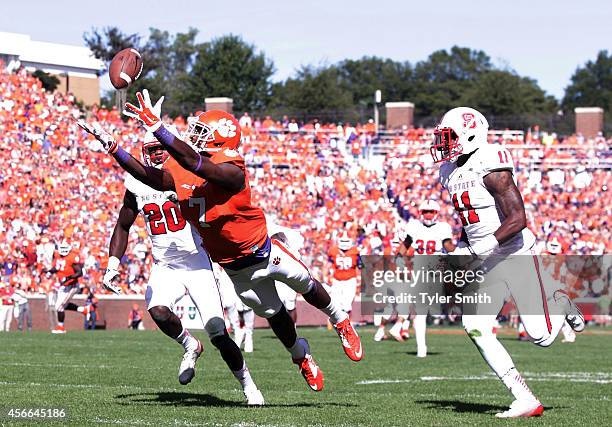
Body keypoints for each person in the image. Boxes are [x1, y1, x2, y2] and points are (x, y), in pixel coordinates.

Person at [77, 90, 362, 394]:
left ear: (220, 139)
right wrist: (114, 148)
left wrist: (158, 128)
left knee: (305, 283)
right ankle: (301, 355)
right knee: (275, 315)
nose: (195, 136)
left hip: (263, 251)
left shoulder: (231, 167)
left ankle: (341, 321)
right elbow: (151, 179)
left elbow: (201, 166)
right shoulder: (182, 169)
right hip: (235, 268)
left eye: (202, 132)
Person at [432, 106, 585, 418]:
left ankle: (561, 302)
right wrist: (462, 251)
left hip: (513, 253)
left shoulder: (490, 161)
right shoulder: (450, 171)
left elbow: (518, 218)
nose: (443, 144)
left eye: (449, 137)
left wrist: (485, 247)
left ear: (470, 135)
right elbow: (470, 222)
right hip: (486, 259)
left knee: (541, 337)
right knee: (474, 324)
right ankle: (524, 398)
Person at [99, 122, 263, 405]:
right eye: (152, 150)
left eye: (162, 148)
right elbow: (123, 225)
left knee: (218, 334)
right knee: (158, 310)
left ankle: (248, 383)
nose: (159, 154)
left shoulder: (189, 175)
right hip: (166, 265)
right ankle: (190, 345)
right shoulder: (137, 183)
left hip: (197, 263)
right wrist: (113, 263)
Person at [397, 200, 455, 357]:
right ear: (420, 213)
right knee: (420, 312)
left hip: (436, 270)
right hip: (421, 270)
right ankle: (420, 347)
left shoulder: (443, 227)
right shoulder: (414, 226)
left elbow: (448, 246)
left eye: (431, 211)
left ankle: (401, 324)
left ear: (436, 213)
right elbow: (406, 243)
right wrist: (399, 258)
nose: (428, 215)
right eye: (425, 211)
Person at [47, 241, 85, 334]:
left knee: (59, 306)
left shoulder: (72, 257)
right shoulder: (57, 255)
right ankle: (83, 309)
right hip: (63, 285)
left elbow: (80, 272)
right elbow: (57, 267)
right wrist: (49, 271)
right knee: (61, 305)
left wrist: (69, 277)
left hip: (71, 285)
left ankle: (61, 327)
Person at [327, 233, 360, 319]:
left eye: (346, 241)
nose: (344, 243)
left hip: (350, 280)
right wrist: (327, 275)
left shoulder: (355, 251)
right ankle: (338, 323)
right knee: (336, 304)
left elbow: (360, 266)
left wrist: (360, 279)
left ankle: (347, 324)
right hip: (337, 280)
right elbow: (328, 264)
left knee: (347, 305)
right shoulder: (333, 250)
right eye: (343, 241)